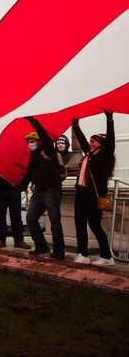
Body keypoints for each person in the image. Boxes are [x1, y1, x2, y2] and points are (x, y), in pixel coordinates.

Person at [71, 111, 115, 266]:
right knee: (80, 224)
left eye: (94, 142)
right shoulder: (89, 154)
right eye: (90, 141)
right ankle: (83, 254)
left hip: (93, 195)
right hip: (81, 194)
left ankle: (107, 257)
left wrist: (109, 119)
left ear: (101, 144)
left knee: (95, 225)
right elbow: (82, 141)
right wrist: (75, 125)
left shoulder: (105, 155)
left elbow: (111, 141)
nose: (90, 144)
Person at [20, 116, 66, 260]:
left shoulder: (48, 151)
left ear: (39, 142)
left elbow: (46, 137)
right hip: (38, 191)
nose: (30, 144)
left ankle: (59, 251)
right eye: (28, 142)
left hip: (51, 190)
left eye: (32, 141)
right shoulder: (33, 156)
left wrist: (34, 122)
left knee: (54, 221)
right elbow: (29, 173)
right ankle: (41, 246)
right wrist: (22, 185)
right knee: (31, 217)